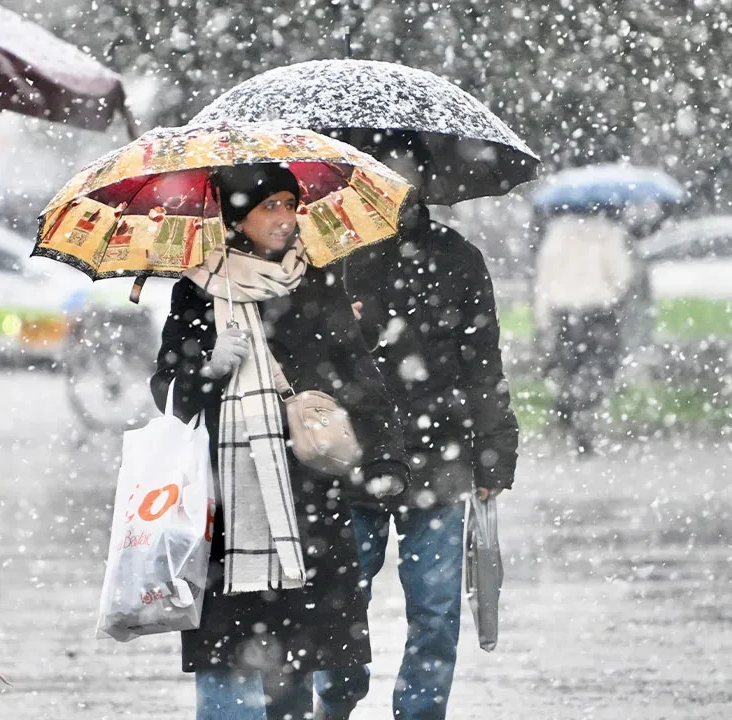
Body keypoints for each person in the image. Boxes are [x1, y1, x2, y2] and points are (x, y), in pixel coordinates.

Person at [151, 163, 410, 720]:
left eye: (291, 204)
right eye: (270, 205)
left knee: (298, 655)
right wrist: (208, 369)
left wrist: (387, 457)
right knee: (229, 659)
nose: (285, 218)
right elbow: (167, 394)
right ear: (237, 215)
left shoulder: (316, 279)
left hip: (307, 496)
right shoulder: (196, 291)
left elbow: (360, 373)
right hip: (228, 503)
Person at [314, 134, 520, 720]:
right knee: (338, 605)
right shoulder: (328, 256)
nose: (395, 186)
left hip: (439, 458)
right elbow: (302, 357)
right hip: (348, 458)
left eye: (404, 173)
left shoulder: (459, 259)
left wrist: (494, 450)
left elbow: (484, 364)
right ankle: (334, 701)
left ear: (425, 180)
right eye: (381, 173)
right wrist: (341, 327)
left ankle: (420, 713)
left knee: (435, 613)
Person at [533, 206, 634, 455]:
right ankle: (584, 413)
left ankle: (568, 408)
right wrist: (611, 293)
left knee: (567, 367)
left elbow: (544, 279)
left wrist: (543, 317)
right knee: (597, 368)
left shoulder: (556, 234)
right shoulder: (609, 233)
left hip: (564, 314)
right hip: (598, 312)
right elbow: (622, 276)